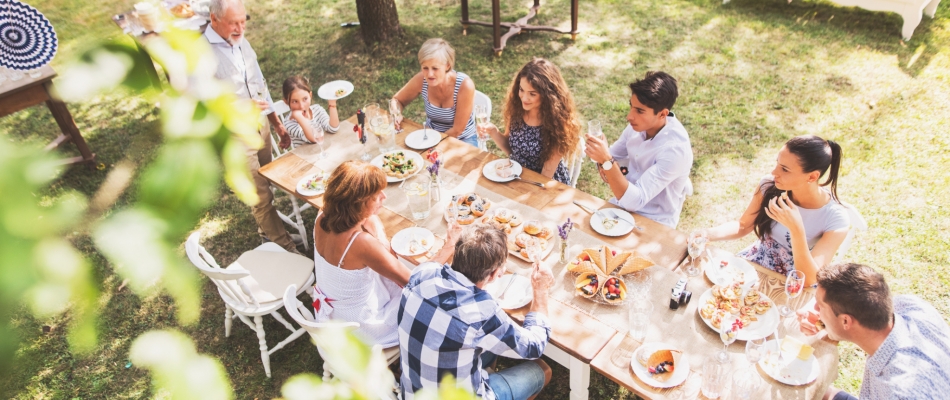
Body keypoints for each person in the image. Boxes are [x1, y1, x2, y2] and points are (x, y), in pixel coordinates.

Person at [312, 161, 460, 347]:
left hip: (336, 313)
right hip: (362, 328)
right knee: (435, 300)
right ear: (358, 203)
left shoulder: (324, 213)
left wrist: (371, 221)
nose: (384, 196)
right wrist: (449, 246)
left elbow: (369, 222)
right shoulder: (360, 243)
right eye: (376, 196)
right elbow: (416, 282)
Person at [398, 224, 554, 400]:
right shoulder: (482, 312)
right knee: (541, 369)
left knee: (488, 344)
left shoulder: (421, 274)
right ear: (496, 274)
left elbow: (434, 264)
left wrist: (449, 244)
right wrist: (541, 290)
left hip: (412, 393)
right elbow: (533, 347)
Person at [204, 0, 297, 252]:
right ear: (214, 19)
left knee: (269, 179)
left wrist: (276, 123)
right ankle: (285, 247)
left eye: (243, 21)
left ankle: (267, 232)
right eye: (233, 22)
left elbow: (260, 84)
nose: (240, 27)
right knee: (260, 196)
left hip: (260, 127)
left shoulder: (240, 40)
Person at [701, 135, 849, 285]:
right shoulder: (770, 186)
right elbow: (743, 225)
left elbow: (810, 279)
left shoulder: (836, 218)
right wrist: (708, 234)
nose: (774, 172)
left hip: (792, 285)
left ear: (812, 177)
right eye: (777, 163)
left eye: (784, 169)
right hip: (753, 265)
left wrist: (796, 228)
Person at [797, 263, 950, 399]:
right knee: (814, 388)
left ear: (846, 321)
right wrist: (824, 321)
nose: (815, 308)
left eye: (820, 305)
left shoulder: (897, 390)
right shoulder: (912, 306)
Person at [584, 71, 693, 228]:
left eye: (640, 111)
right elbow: (611, 157)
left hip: (655, 222)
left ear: (663, 114)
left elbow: (635, 200)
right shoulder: (638, 126)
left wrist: (607, 162)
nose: (629, 116)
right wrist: (605, 162)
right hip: (622, 206)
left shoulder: (675, 151)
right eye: (631, 107)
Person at [478, 58, 581, 185]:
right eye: (521, 90)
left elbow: (546, 174)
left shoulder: (557, 123)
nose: (524, 98)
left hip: (545, 183)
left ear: (548, 95)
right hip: (516, 175)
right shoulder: (517, 110)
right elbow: (512, 150)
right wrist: (493, 132)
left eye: (532, 94)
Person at [391, 38, 479, 147]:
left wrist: (433, 145)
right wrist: (397, 113)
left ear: (447, 65)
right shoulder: (421, 80)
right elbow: (397, 100)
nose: (429, 74)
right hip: (429, 136)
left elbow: (457, 130)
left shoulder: (465, 85)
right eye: (425, 68)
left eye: (435, 68)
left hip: (462, 139)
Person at [282, 76, 340, 148]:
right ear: (286, 102)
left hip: (322, 151)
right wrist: (299, 117)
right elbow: (314, 139)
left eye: (305, 99)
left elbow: (333, 128)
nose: (301, 106)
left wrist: (332, 104)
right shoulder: (289, 123)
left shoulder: (317, 110)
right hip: (305, 158)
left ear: (310, 95)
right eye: (295, 101)